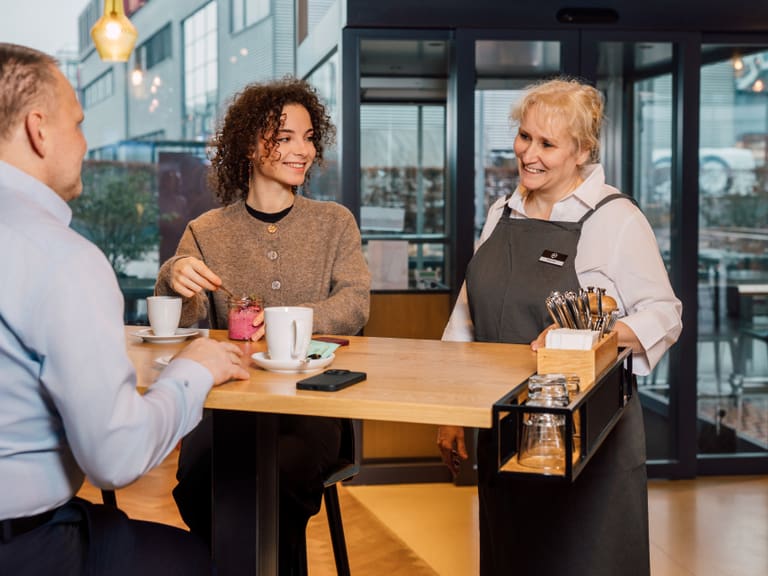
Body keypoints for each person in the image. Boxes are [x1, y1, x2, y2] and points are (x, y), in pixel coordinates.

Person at [0, 43, 251, 575]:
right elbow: (114, 459)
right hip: (26, 547)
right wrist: (194, 370)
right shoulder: (61, 258)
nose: (87, 143)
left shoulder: (333, 222)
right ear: (38, 130)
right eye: (79, 123)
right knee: (200, 561)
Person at [437, 78, 683, 576]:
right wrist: (450, 411)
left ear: (582, 151)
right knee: (513, 556)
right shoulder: (500, 214)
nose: (529, 154)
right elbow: (466, 315)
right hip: (508, 429)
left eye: (548, 144)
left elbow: (664, 313)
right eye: (525, 136)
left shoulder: (615, 218)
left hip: (589, 438)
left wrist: (593, 338)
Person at [154, 76, 370, 575]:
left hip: (313, 402)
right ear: (251, 144)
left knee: (276, 480)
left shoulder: (334, 223)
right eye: (286, 136)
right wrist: (173, 277)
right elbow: (191, 328)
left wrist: (278, 322)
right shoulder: (204, 231)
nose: (304, 150)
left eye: (310, 136)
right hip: (227, 404)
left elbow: (355, 306)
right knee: (199, 483)